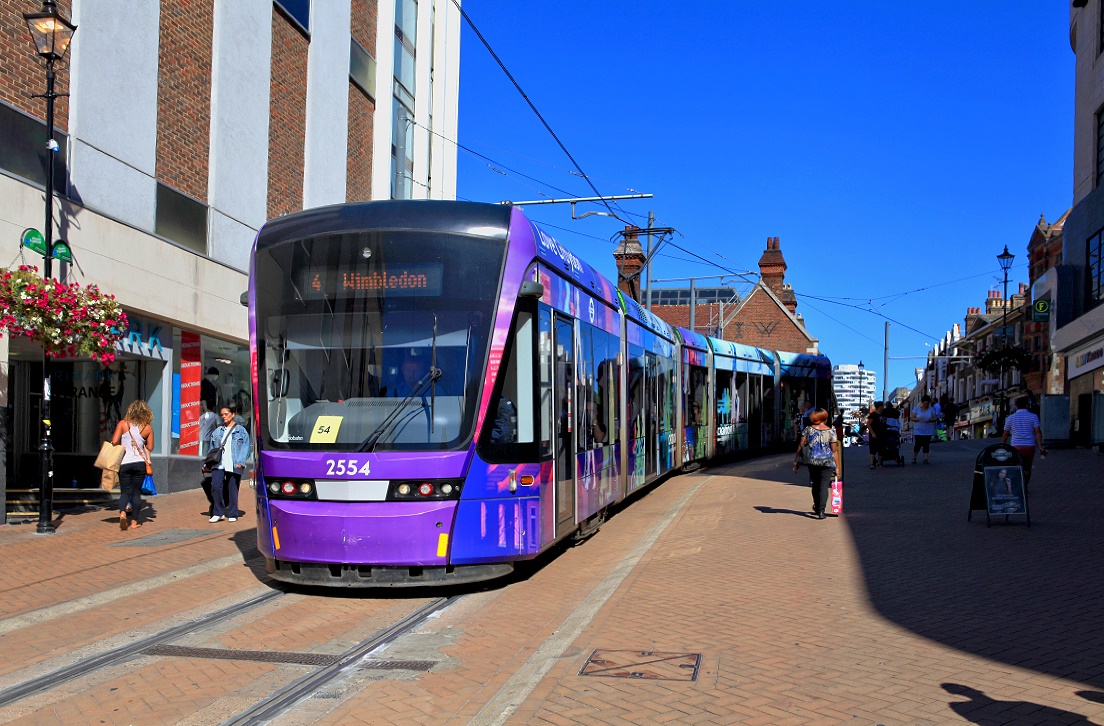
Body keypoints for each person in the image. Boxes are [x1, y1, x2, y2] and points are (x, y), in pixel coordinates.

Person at [111, 399, 154, 531]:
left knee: (125, 492)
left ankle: (123, 514)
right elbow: (150, 447)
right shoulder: (147, 428)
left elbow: (114, 441)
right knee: (136, 493)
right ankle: (134, 522)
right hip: (139, 464)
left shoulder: (123, 424)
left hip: (124, 462)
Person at [793, 407, 841, 519]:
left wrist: (796, 460)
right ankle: (821, 511)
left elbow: (801, 445)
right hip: (828, 462)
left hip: (813, 461)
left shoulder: (808, 429)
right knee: (824, 485)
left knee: (815, 484)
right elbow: (834, 450)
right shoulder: (831, 431)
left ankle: (817, 506)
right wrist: (837, 466)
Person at [209, 405, 252, 523]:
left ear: (232, 415)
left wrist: (240, 462)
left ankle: (233, 513)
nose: (224, 416)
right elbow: (212, 448)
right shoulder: (217, 431)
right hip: (218, 464)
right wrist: (208, 463)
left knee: (232, 489)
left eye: (226, 414)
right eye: (222, 415)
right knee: (215, 487)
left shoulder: (241, 431)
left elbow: (246, 447)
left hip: (234, 463)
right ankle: (218, 512)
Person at [1002, 395, 1046, 486]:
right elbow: (1038, 432)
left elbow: (1005, 434)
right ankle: (1025, 486)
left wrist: (1003, 445)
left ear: (1016, 405)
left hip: (1016, 446)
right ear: (1027, 405)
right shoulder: (1033, 416)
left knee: (1017, 466)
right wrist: (1040, 446)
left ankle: (1018, 487)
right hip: (1029, 446)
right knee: (1027, 468)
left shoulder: (1011, 418)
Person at [910, 395, 938, 464]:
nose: (926, 405)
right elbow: (912, 418)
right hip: (918, 430)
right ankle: (914, 457)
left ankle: (925, 458)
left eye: (927, 404)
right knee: (918, 444)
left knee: (926, 444)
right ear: (922, 403)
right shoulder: (917, 409)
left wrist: (930, 420)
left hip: (928, 430)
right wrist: (917, 419)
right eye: (924, 403)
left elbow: (935, 418)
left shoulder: (931, 409)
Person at [865, 401, 884, 469]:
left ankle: (879, 463)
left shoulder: (882, 414)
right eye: (882, 406)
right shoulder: (873, 415)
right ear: (879, 406)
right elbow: (868, 424)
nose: (883, 407)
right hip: (874, 434)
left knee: (881, 449)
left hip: (881, 434)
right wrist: (872, 433)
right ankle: (872, 464)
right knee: (873, 449)